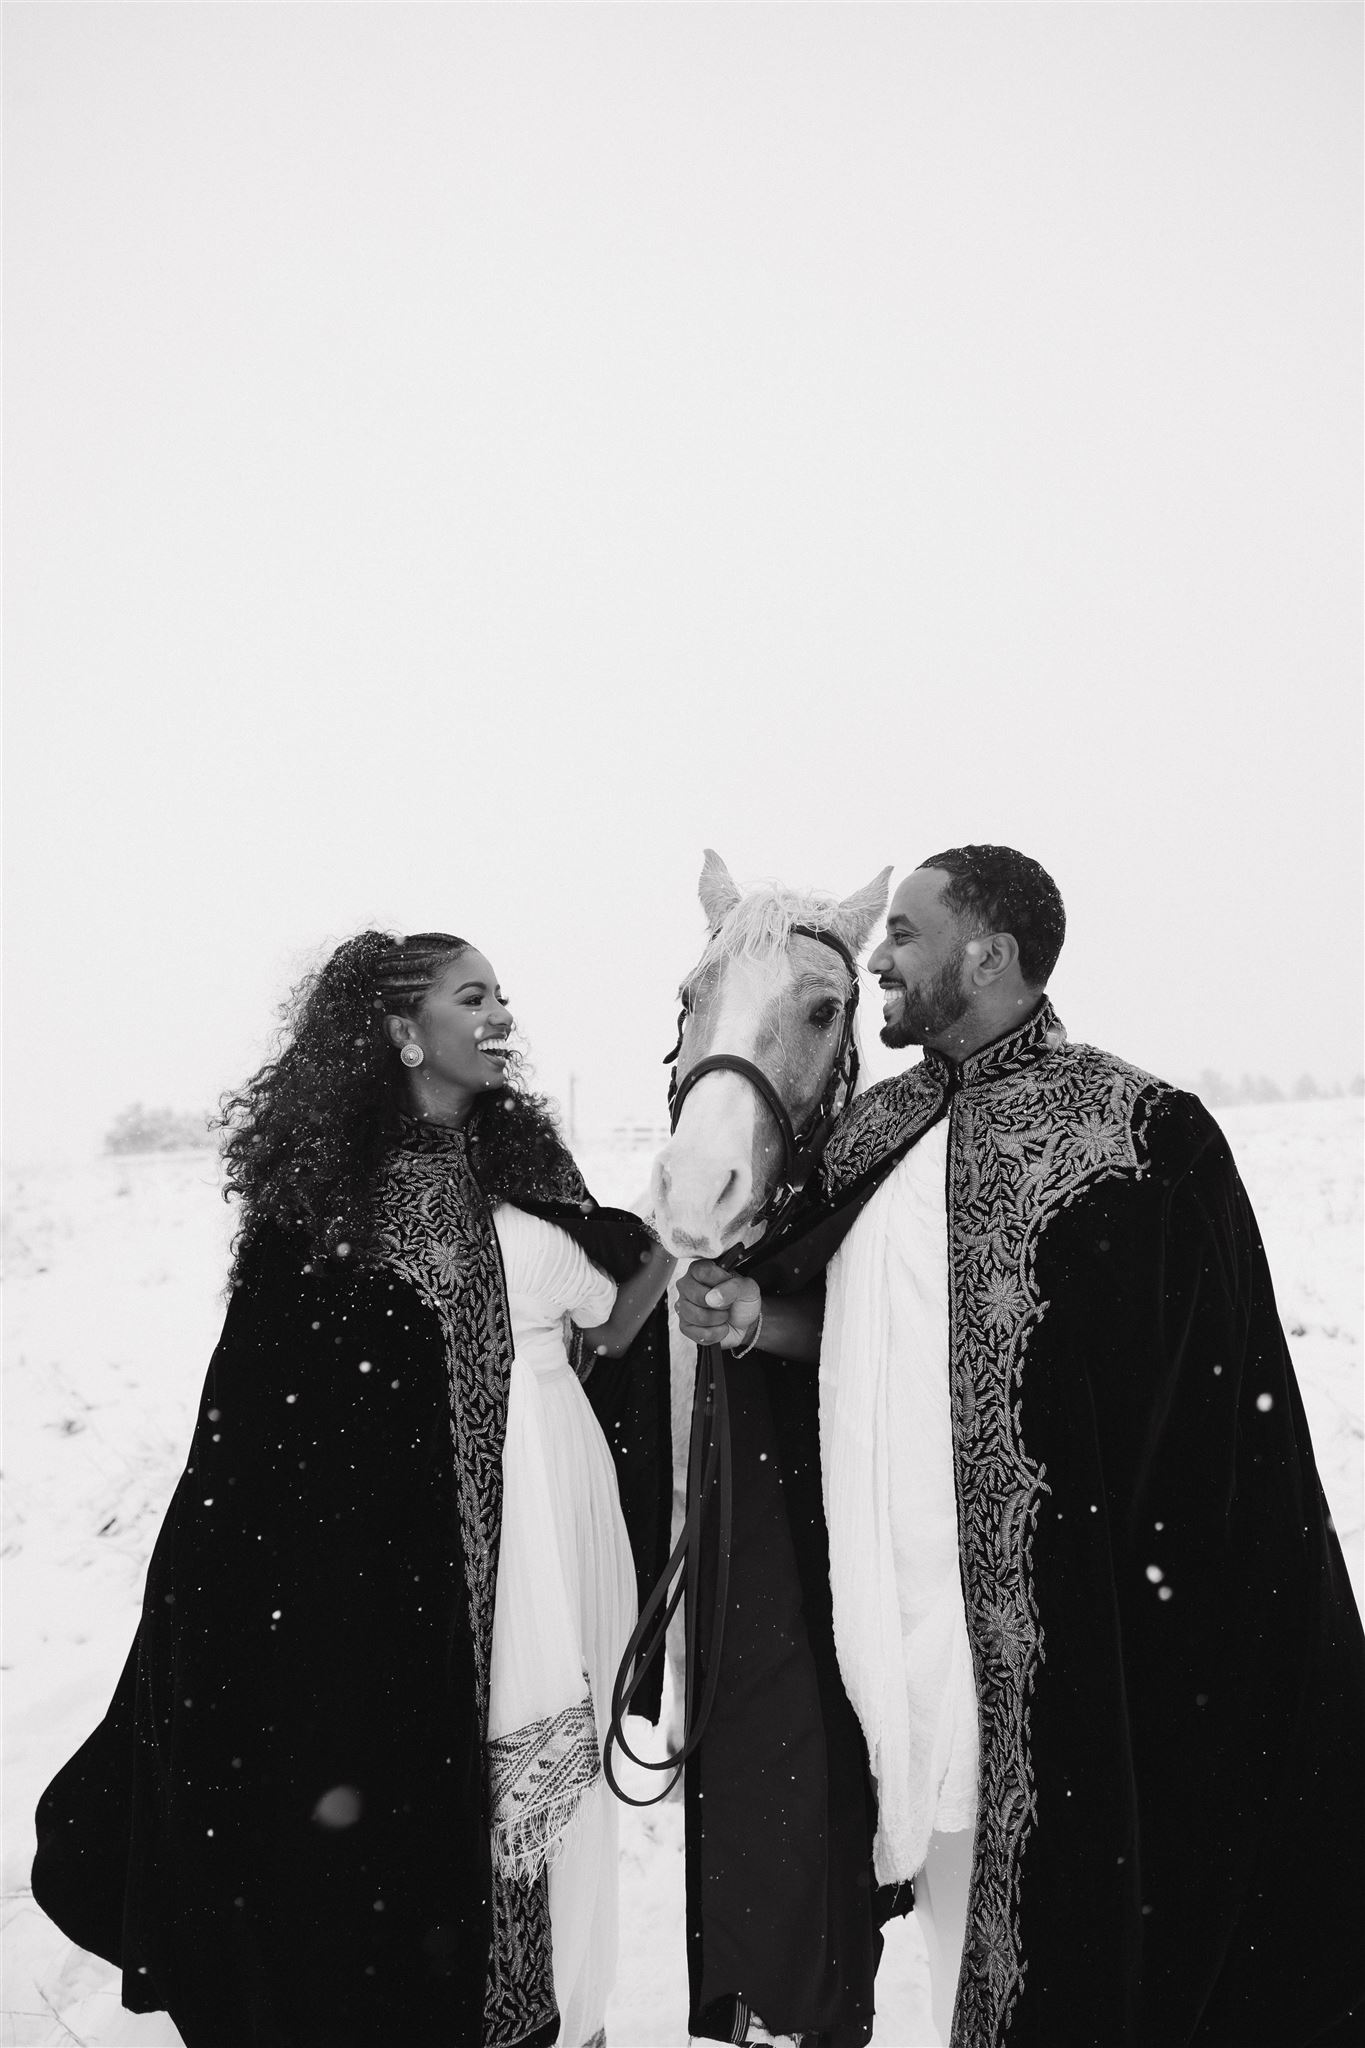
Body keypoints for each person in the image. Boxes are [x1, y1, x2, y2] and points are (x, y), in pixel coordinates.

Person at [678, 846, 1365, 2048]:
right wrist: (758, 1316)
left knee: (1078, 1953)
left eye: (906, 933)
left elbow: (1214, 1417)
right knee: (957, 1950)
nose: (879, 956)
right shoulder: (879, 1127)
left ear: (989, 956)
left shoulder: (1141, 1133)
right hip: (899, 1654)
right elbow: (872, 1329)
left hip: (1075, 1661)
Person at [32, 929, 675, 2048]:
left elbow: (612, 1325)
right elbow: (269, 1442)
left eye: (501, 994)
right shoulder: (329, 1209)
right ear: (396, 1031)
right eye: (472, 996)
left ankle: (557, 2016)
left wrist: (679, 1228)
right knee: (417, 1836)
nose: (498, 1014)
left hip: (546, 1553)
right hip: (402, 1587)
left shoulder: (525, 1165)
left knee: (552, 1811)